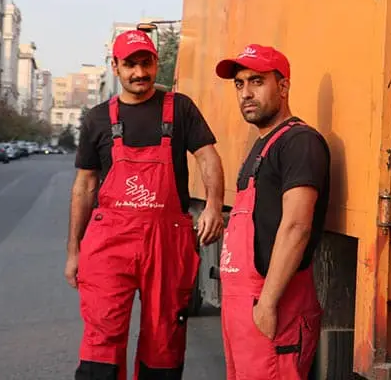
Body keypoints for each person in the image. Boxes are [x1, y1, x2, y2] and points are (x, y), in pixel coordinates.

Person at [65, 29, 225, 380]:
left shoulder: (180, 108)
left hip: (166, 241)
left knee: (165, 337)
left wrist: (214, 204)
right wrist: (74, 250)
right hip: (110, 242)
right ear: (115, 67)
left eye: (146, 63)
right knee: (102, 334)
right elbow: (85, 186)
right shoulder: (97, 119)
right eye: (130, 65)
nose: (140, 72)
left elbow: (207, 156)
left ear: (155, 62)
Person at [214, 44, 330, 380]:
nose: (246, 93)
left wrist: (266, 303)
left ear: (283, 86)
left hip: (274, 306)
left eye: (256, 81)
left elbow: (296, 226)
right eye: (239, 84)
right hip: (243, 308)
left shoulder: (299, 142)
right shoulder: (263, 145)